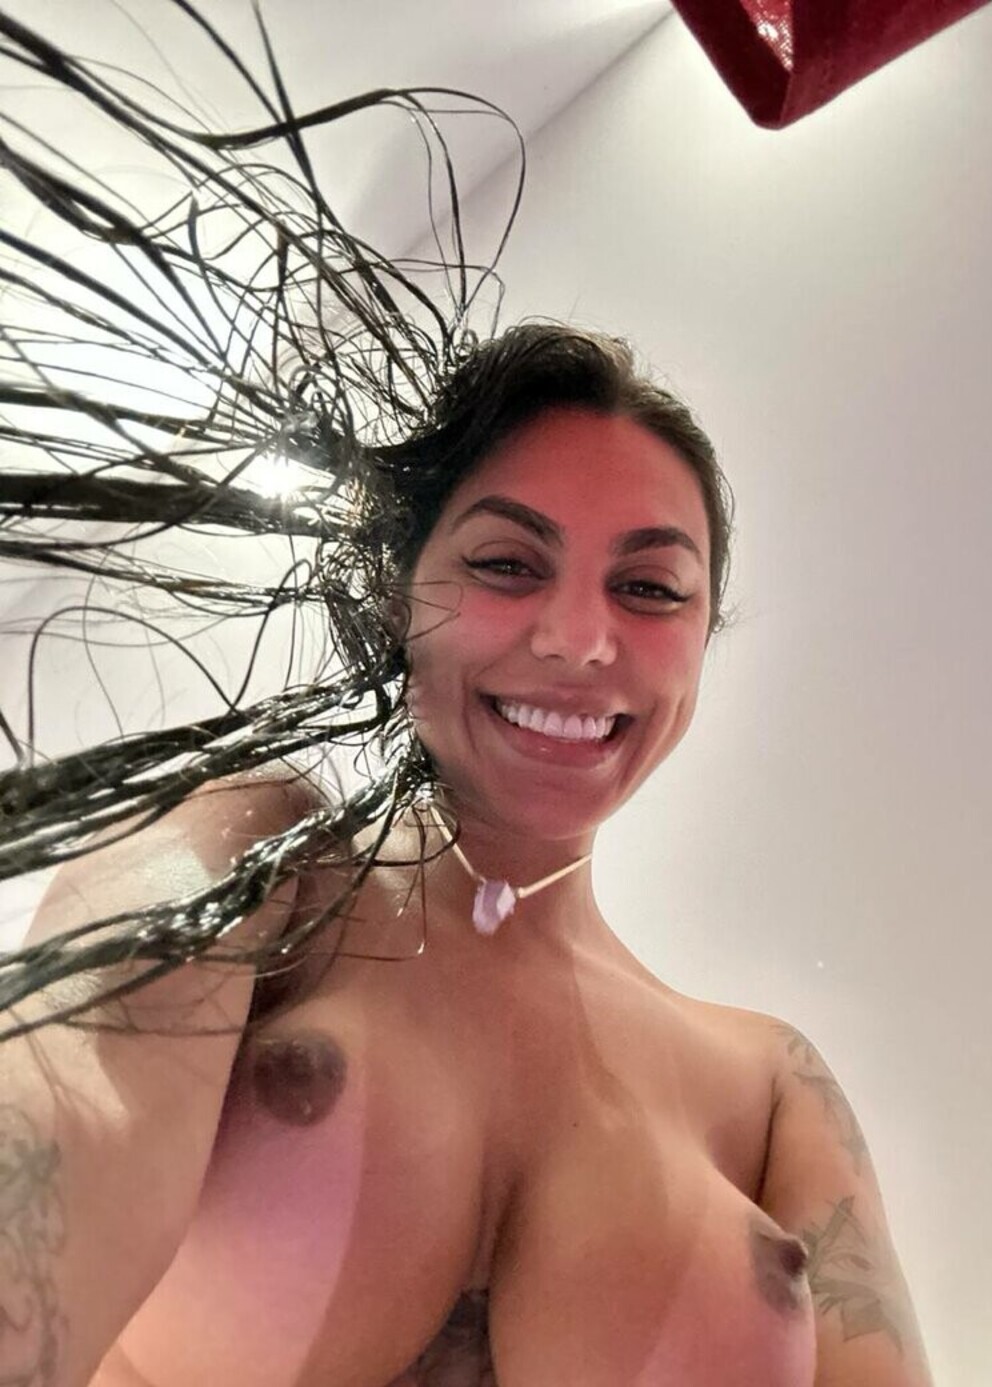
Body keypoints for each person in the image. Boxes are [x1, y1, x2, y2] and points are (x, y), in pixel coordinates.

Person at [3, 324, 935, 1387]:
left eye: (650, 587)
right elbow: (66, 1105)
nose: (579, 638)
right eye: (506, 563)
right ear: (398, 598)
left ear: (704, 636)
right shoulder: (255, 850)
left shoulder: (770, 1086)